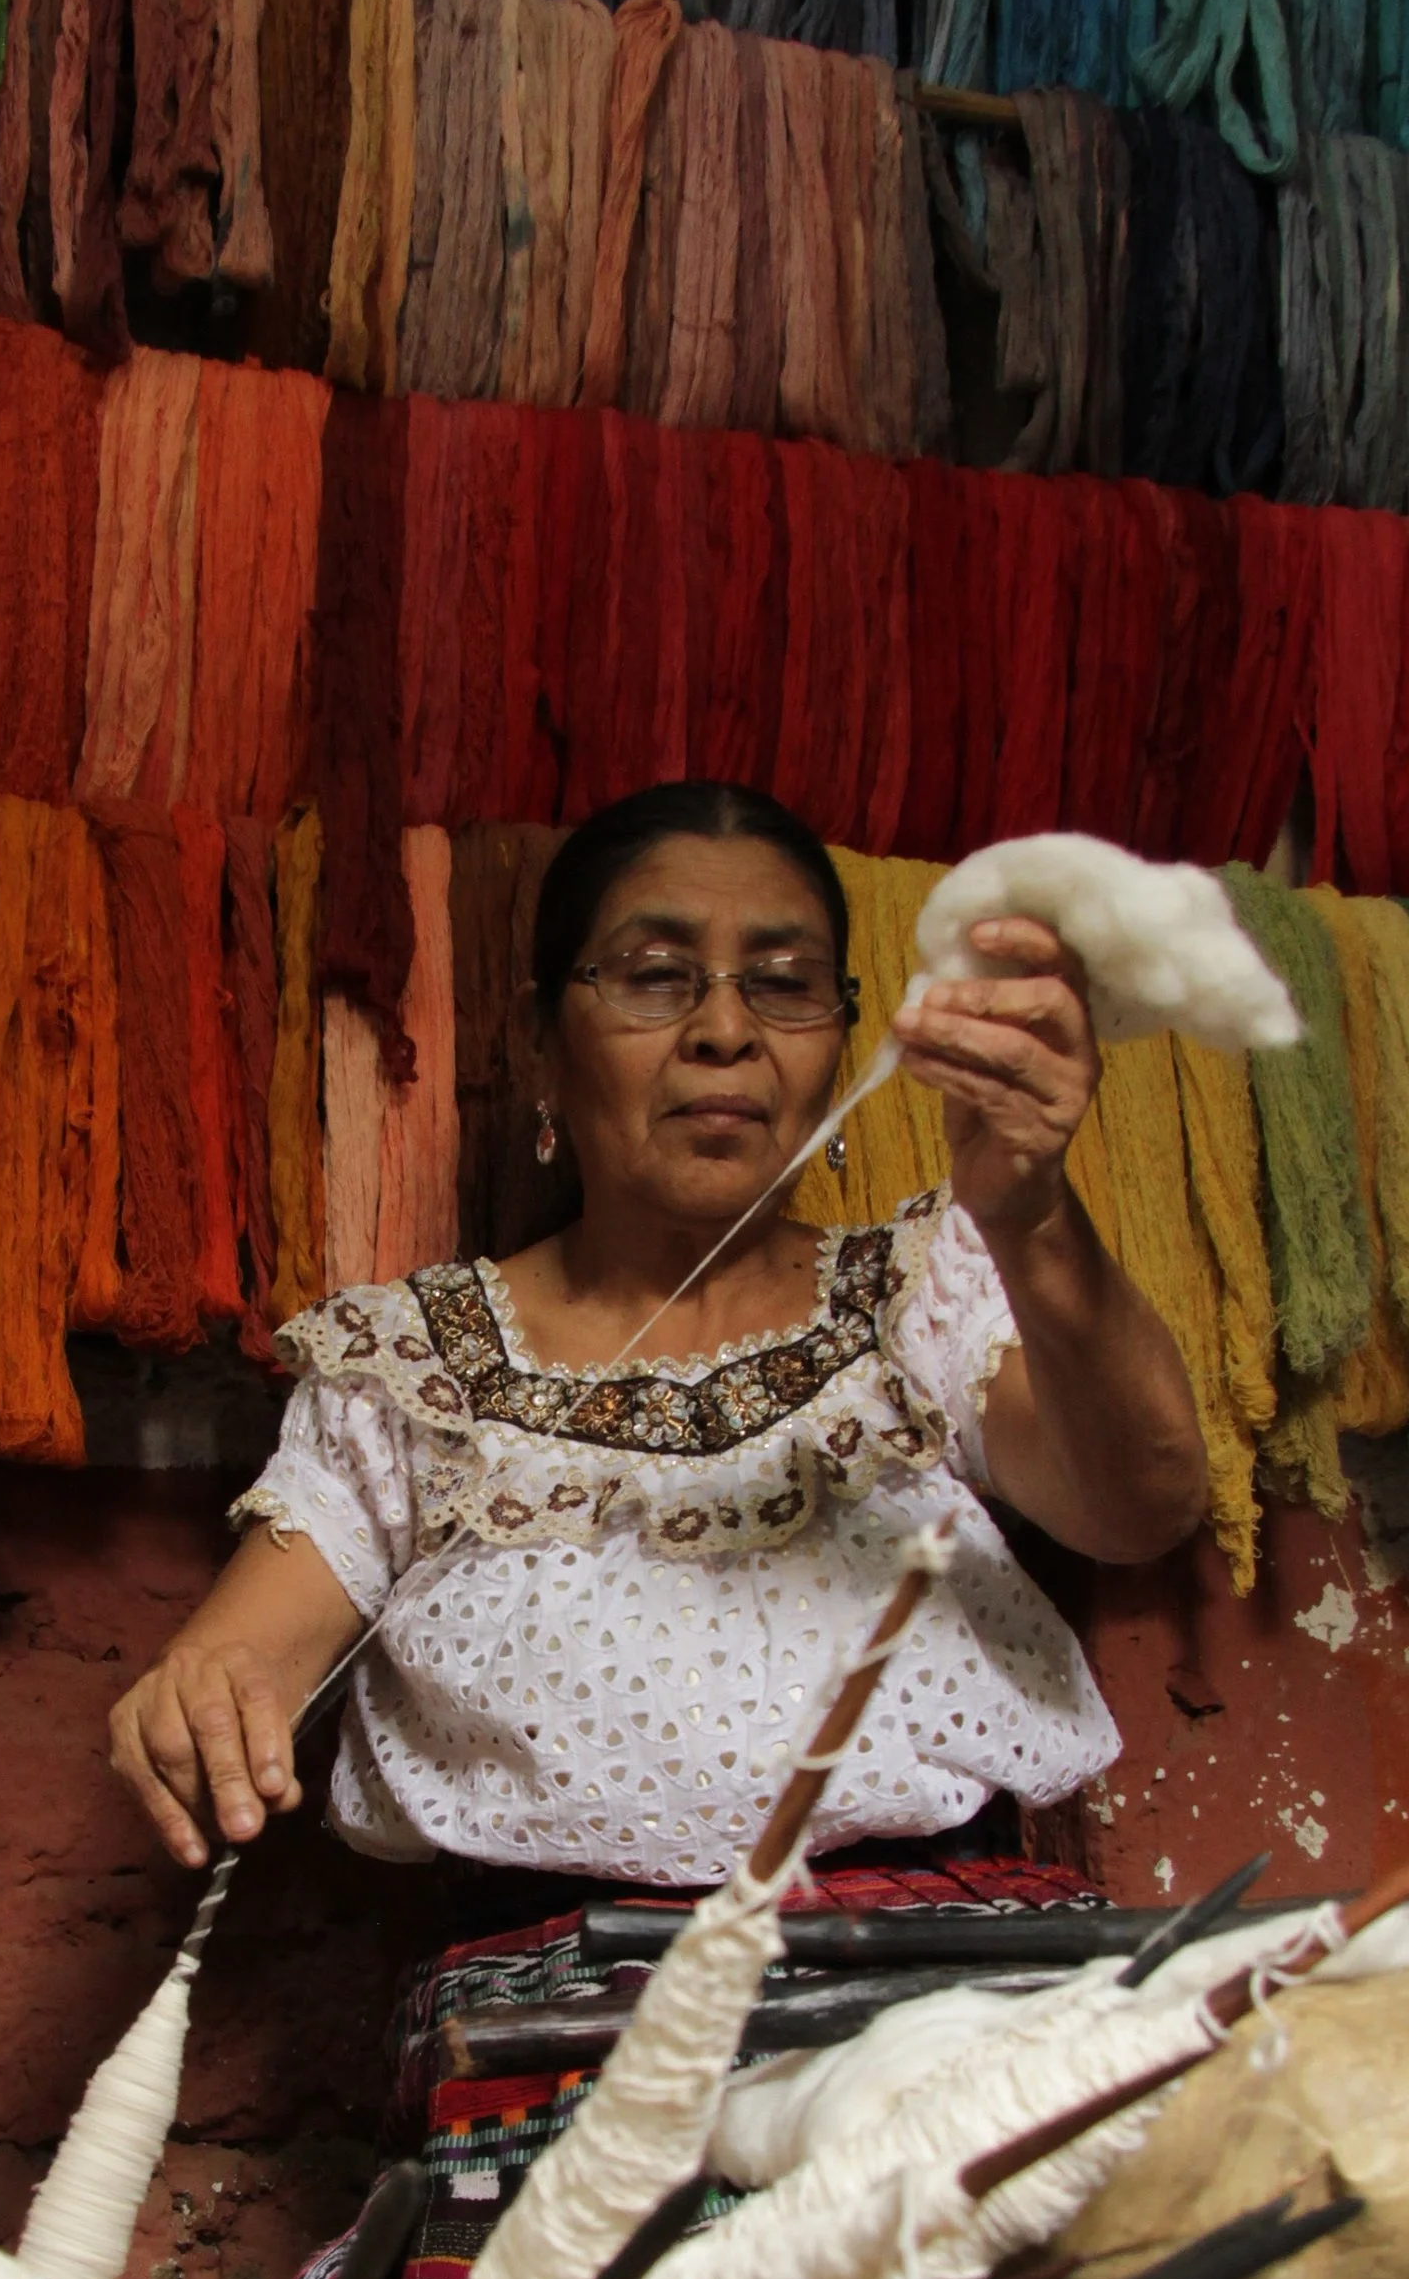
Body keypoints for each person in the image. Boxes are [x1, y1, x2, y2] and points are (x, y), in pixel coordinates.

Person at [111, 780, 1207, 1892]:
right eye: (653, 976)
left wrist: (1033, 1218)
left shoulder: (916, 1298)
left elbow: (1141, 1505)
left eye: (784, 983)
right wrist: (197, 1703)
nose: (725, 1032)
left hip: (940, 1958)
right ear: (543, 1042)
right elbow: (243, 1660)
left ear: (841, 1039)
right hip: (547, 1979)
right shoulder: (412, 1368)